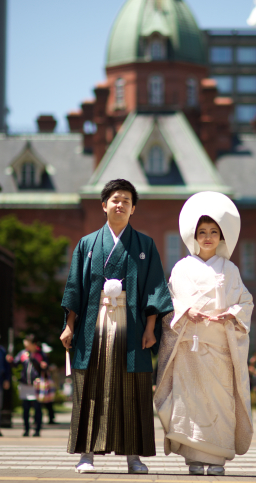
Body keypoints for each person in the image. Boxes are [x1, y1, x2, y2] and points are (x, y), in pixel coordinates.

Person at [60, 179, 173, 475]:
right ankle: (86, 454)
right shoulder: (87, 244)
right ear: (104, 205)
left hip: (132, 325)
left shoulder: (145, 245)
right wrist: (69, 326)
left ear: (133, 208)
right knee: (90, 387)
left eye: (126, 200)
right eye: (115, 199)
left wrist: (150, 328)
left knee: (133, 389)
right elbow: (75, 287)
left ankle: (134, 456)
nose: (120, 204)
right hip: (92, 323)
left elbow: (153, 288)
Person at [155, 191, 254, 476]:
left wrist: (231, 314)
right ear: (193, 236)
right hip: (190, 350)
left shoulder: (231, 269)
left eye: (213, 231)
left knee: (220, 401)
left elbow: (246, 302)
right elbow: (170, 300)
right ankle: (194, 458)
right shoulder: (182, 268)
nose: (208, 237)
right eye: (202, 232)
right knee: (191, 402)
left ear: (222, 236)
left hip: (219, 348)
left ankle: (218, 458)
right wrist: (186, 312)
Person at [10, 334, 47, 436]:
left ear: (34, 344)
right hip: (25, 384)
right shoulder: (23, 353)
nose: (26, 345)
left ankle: (37, 430)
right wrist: (10, 361)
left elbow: (46, 367)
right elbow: (15, 364)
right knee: (25, 408)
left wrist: (43, 365)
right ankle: (26, 429)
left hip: (36, 385)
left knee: (37, 409)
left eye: (27, 343)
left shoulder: (40, 354)